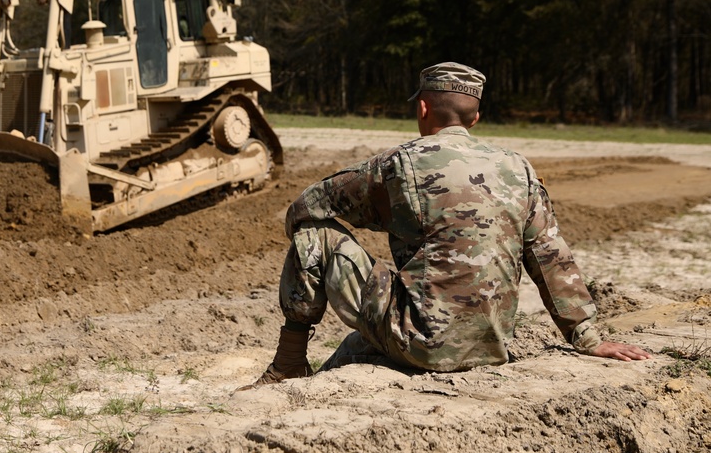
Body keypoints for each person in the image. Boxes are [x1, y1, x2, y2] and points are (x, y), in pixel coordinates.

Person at [243, 62, 650, 388]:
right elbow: (549, 255)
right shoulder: (518, 168)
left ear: (422, 108)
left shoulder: (398, 164)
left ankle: (289, 363)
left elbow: (306, 206)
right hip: (491, 346)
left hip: (420, 342)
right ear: (475, 119)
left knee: (315, 235)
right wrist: (590, 338)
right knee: (353, 348)